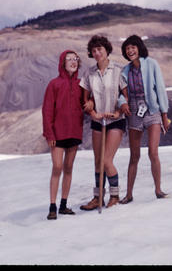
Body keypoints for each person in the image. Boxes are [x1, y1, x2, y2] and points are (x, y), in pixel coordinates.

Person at [119, 35, 170, 204]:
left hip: (152, 110)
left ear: (139, 48)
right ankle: (129, 194)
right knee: (134, 155)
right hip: (134, 111)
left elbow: (160, 89)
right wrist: (122, 103)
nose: (130, 51)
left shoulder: (152, 64)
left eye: (133, 47)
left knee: (153, 152)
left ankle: (158, 190)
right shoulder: (124, 71)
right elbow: (120, 94)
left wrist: (164, 115)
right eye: (127, 49)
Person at [79, 35, 128, 210]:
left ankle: (114, 195)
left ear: (106, 50)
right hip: (98, 121)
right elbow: (84, 100)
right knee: (98, 160)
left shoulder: (118, 71)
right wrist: (92, 113)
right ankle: (97, 198)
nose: (97, 53)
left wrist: (117, 111)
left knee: (107, 160)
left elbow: (125, 96)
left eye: (100, 49)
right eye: (94, 50)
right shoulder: (89, 73)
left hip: (115, 120)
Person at [42, 50, 83, 219]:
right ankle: (52, 206)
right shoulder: (54, 84)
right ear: (62, 63)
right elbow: (47, 110)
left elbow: (87, 103)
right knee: (57, 167)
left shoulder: (82, 84)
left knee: (68, 168)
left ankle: (63, 205)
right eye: (69, 59)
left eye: (75, 59)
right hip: (58, 134)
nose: (73, 62)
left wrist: (89, 103)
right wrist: (49, 134)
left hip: (74, 131)